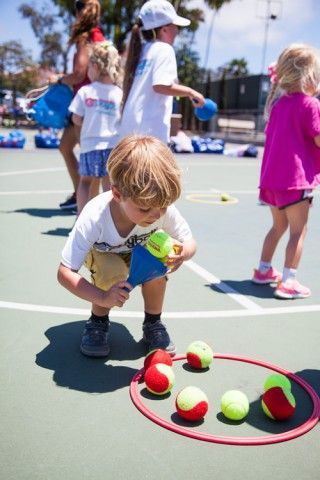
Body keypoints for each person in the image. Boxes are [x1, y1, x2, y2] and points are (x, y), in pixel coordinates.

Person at [57, 134, 197, 357]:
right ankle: (98, 321)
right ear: (117, 194)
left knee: (157, 268)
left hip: (139, 252)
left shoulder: (160, 209)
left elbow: (189, 242)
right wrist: (103, 298)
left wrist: (182, 254)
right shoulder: (95, 216)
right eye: (144, 209)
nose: (156, 214)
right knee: (111, 271)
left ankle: (153, 323)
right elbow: (64, 272)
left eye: (163, 206)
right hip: (101, 252)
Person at [252, 44, 320, 299]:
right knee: (298, 230)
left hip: (272, 181)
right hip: (295, 180)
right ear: (309, 75)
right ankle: (289, 281)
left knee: (278, 226)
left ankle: (263, 270)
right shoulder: (310, 104)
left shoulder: (279, 105)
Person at [119, 0, 205, 145]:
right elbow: (160, 85)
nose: (177, 30)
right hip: (149, 135)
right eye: (174, 26)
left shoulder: (141, 51)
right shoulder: (164, 49)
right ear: (164, 29)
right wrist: (192, 93)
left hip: (129, 130)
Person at [56, 0, 105, 211]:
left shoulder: (85, 37)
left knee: (89, 161)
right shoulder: (98, 35)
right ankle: (81, 196)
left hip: (86, 105)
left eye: (76, 7)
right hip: (93, 103)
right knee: (66, 147)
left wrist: (58, 79)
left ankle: (88, 206)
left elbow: (79, 74)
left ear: (80, 13)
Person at [69, 41, 123, 214]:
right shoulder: (118, 93)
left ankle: (81, 219)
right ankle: (108, 221)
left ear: (94, 65)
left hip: (90, 145)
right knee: (109, 185)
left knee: (85, 182)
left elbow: (76, 118)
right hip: (112, 146)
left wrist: (88, 123)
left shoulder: (86, 91)